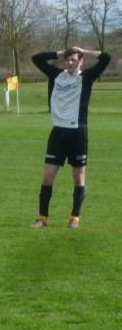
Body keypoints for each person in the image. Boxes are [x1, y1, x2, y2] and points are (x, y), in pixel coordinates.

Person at [31, 46, 112, 228]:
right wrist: (59, 53)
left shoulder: (86, 78)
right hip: (58, 132)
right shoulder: (56, 75)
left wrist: (83, 50)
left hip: (78, 132)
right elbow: (36, 58)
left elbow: (106, 58)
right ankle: (42, 218)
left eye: (74, 59)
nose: (70, 62)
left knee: (78, 176)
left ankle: (75, 217)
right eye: (67, 60)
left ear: (80, 61)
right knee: (48, 176)